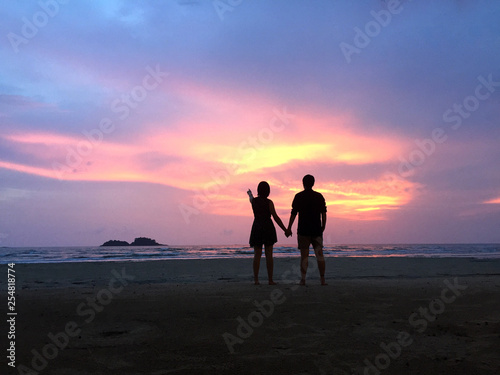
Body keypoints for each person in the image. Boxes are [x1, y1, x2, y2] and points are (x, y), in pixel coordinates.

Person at [287, 174, 327, 285]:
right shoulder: (319, 196)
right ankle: (322, 279)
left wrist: (289, 227)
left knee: (304, 256)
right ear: (313, 183)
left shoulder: (298, 196)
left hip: (303, 230)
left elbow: (293, 213)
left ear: (303, 183)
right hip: (316, 229)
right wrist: (323, 226)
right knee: (319, 255)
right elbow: (323, 213)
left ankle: (303, 279)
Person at [248, 181, 291, 285]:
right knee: (269, 255)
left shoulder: (254, 201)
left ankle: (256, 280)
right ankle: (270, 280)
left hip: (257, 227)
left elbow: (251, 199)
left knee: (257, 255)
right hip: (268, 227)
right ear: (268, 191)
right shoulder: (269, 202)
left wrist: (249, 194)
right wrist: (285, 229)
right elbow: (275, 217)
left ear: (258, 191)